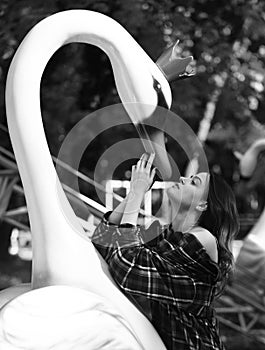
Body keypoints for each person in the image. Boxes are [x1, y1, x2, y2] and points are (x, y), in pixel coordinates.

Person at [92, 152, 239, 350]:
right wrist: (132, 195)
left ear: (202, 205)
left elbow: (127, 268)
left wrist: (137, 193)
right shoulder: (168, 234)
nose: (183, 178)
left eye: (193, 182)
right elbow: (103, 241)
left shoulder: (203, 240)